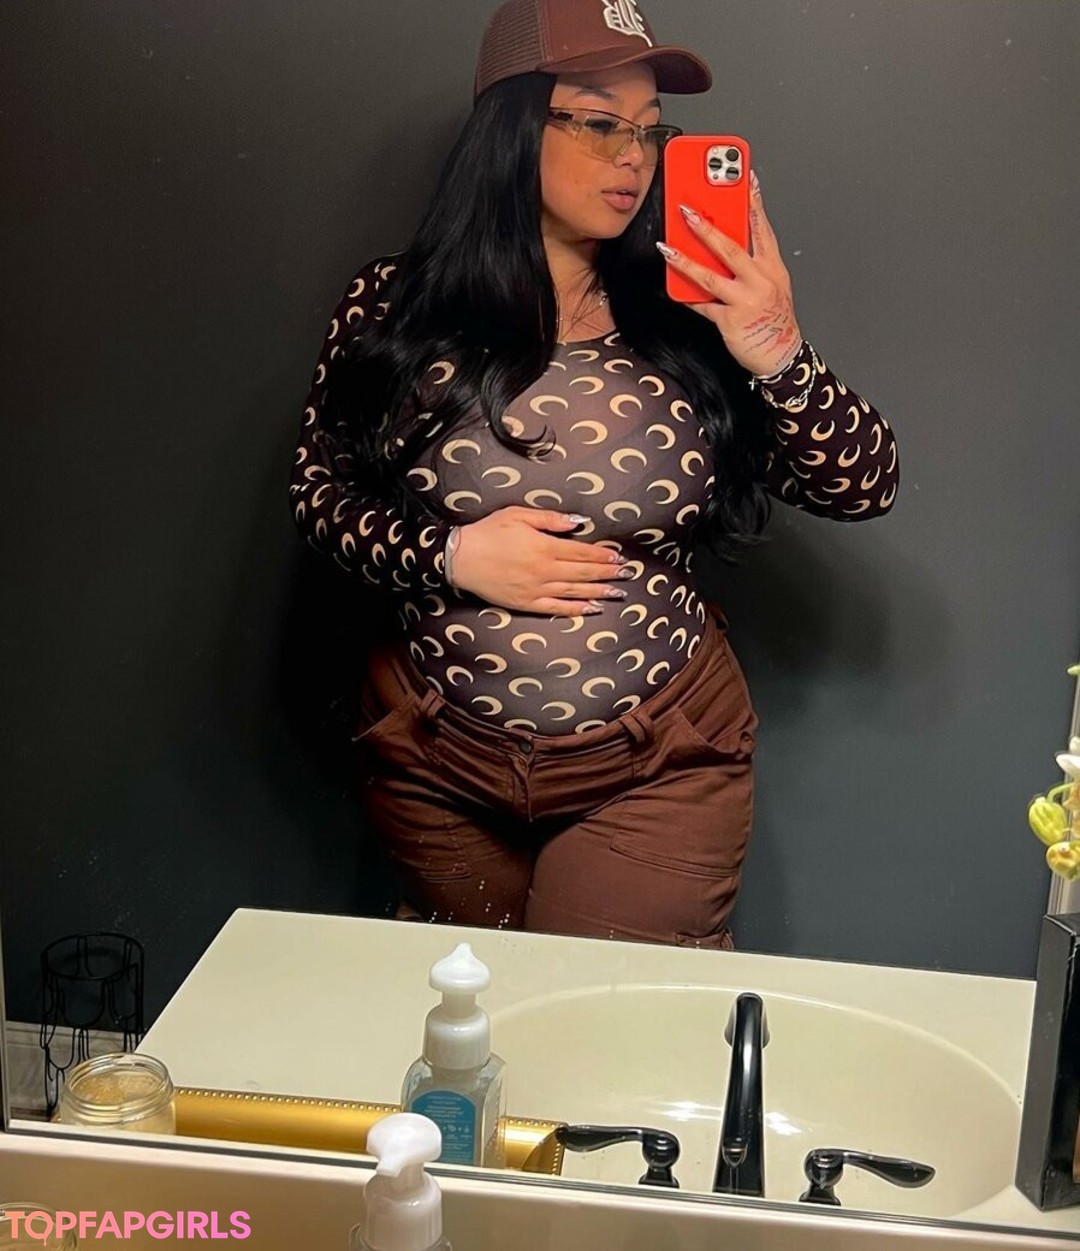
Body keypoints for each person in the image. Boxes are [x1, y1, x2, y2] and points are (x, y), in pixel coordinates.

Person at [290, 0, 898, 950]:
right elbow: (319, 496)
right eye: (600, 122)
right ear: (512, 129)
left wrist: (778, 348)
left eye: (650, 129)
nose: (634, 156)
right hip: (437, 763)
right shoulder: (392, 307)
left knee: (604, 1020)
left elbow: (864, 484)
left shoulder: (692, 317)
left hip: (654, 763)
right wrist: (448, 554)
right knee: (473, 1012)